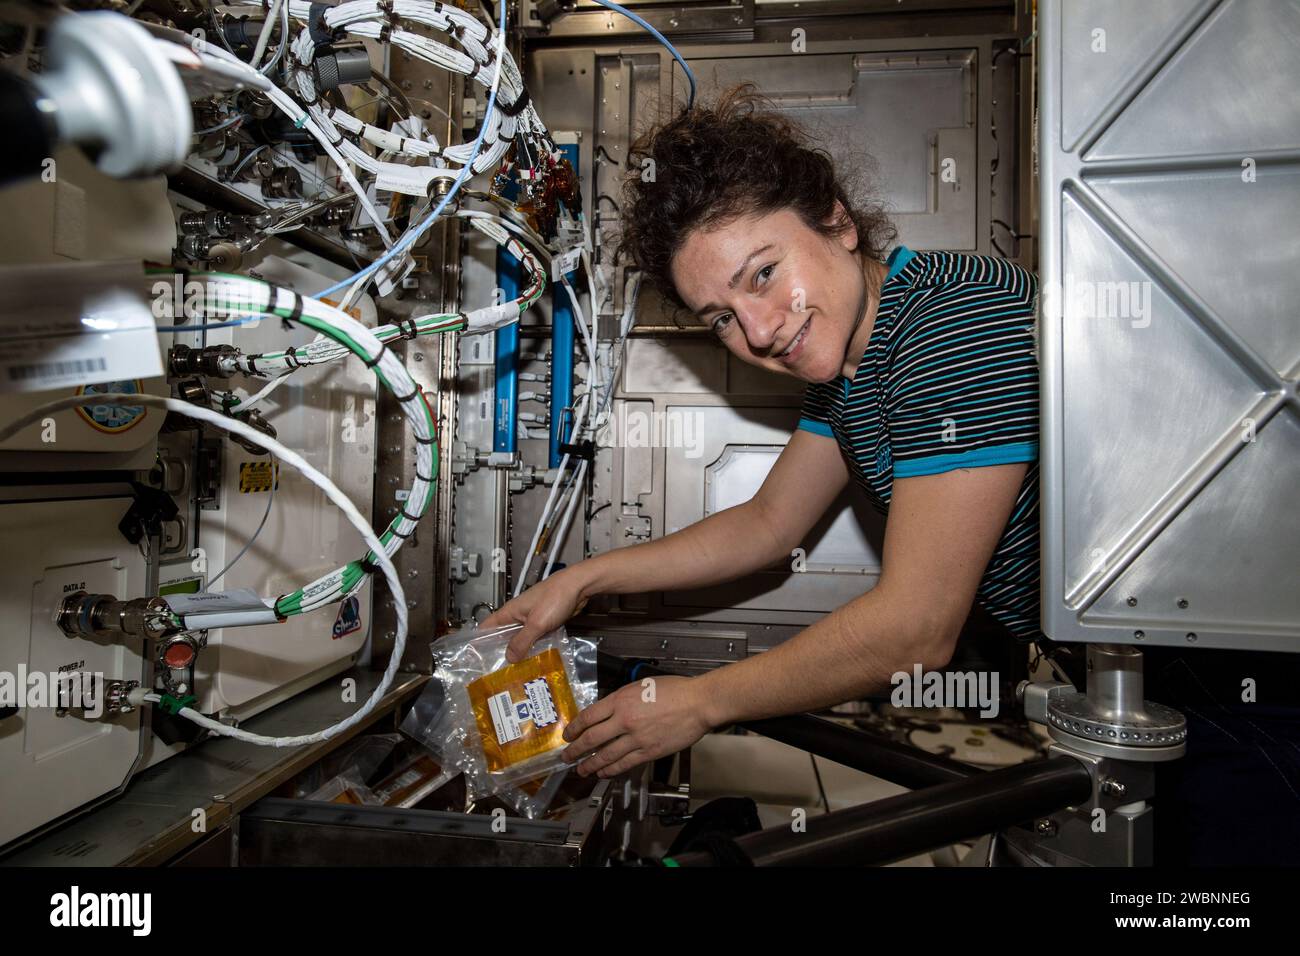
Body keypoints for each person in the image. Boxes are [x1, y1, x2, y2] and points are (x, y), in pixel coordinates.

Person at [483, 83, 1041, 780]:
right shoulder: (858, 358)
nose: (760, 330)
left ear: (838, 222)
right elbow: (769, 523)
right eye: (719, 317)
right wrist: (581, 581)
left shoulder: (943, 329)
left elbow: (917, 629)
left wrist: (704, 702)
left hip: (1196, 681)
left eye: (765, 273)